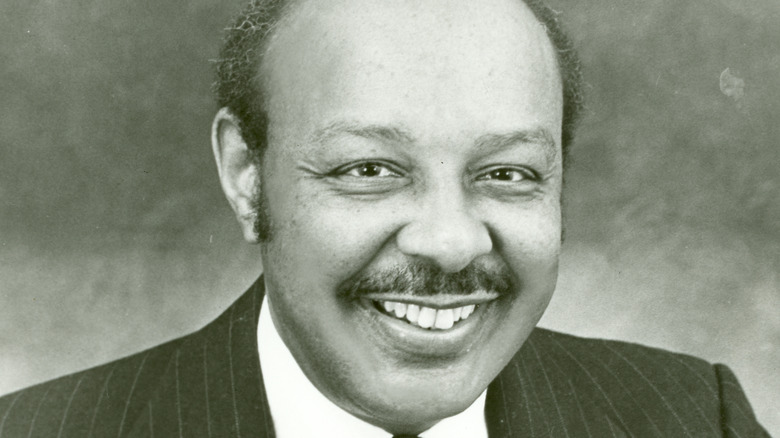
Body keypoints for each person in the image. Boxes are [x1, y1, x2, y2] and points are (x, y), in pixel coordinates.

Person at [0, 0, 770, 436]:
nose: (449, 240)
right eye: (368, 170)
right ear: (246, 175)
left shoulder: (695, 419)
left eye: (507, 173)